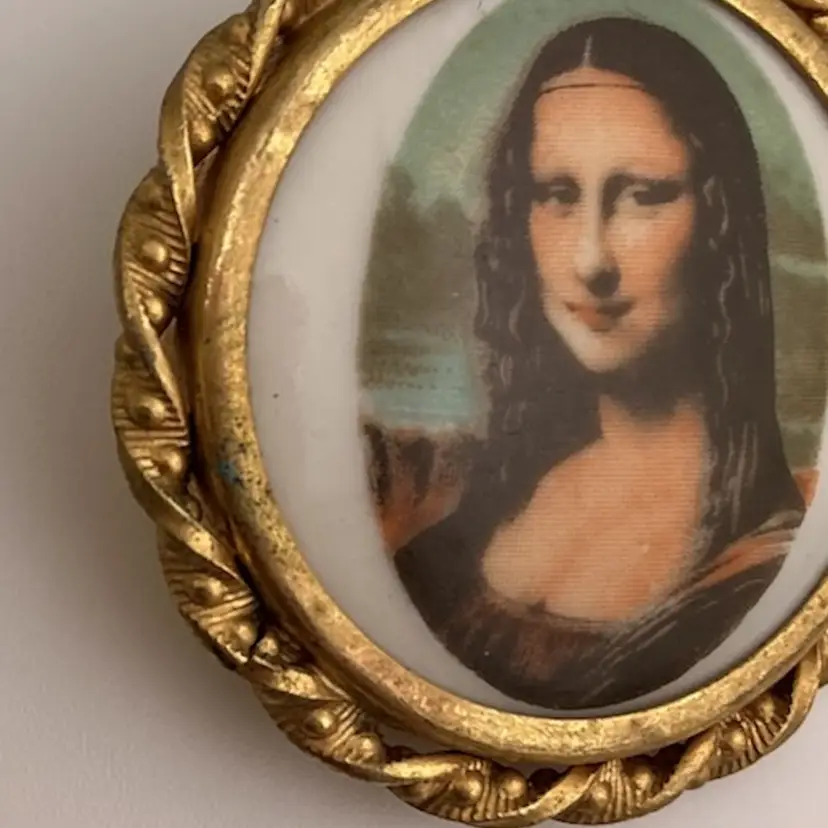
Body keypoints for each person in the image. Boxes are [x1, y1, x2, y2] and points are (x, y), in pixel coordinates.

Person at [365, 17, 813, 709]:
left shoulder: (761, 561)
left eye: (643, 194)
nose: (590, 261)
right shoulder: (474, 483)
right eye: (558, 194)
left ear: (721, 224)